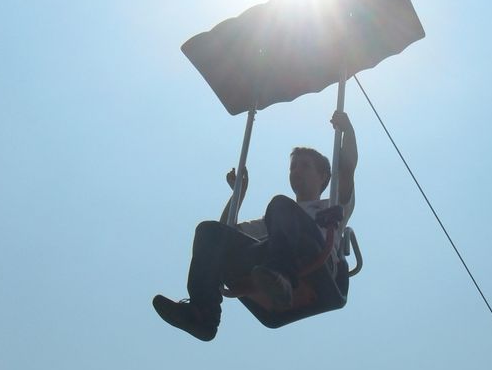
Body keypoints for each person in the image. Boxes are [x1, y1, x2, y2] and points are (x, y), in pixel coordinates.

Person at [153, 111, 358, 341]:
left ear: (323, 176)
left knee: (280, 205)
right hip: (269, 261)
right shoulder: (273, 220)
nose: (296, 171)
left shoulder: (332, 204)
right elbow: (225, 235)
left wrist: (347, 130)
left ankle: (281, 277)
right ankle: (203, 314)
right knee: (208, 232)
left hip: (314, 255)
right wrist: (238, 195)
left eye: (304, 166)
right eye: (293, 167)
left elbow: (348, 169)